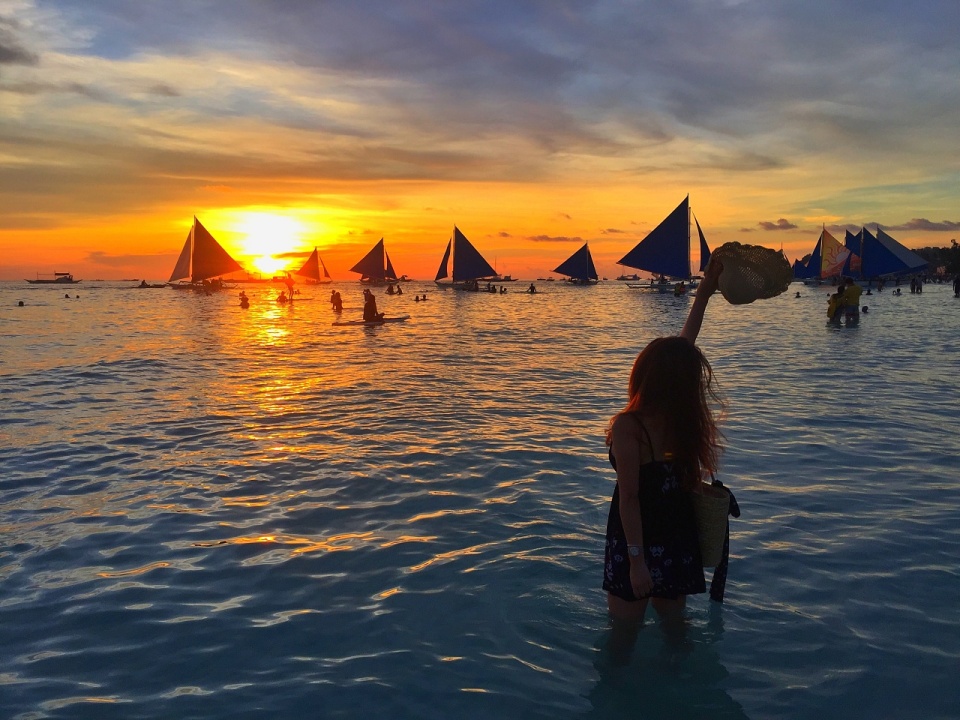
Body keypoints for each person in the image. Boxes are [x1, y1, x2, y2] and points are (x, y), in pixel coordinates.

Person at [602, 258, 724, 623]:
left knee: (623, 639)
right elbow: (683, 351)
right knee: (676, 634)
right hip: (676, 532)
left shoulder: (629, 426)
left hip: (637, 540)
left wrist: (637, 562)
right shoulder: (680, 419)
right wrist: (704, 293)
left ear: (645, 374)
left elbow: (630, 497)